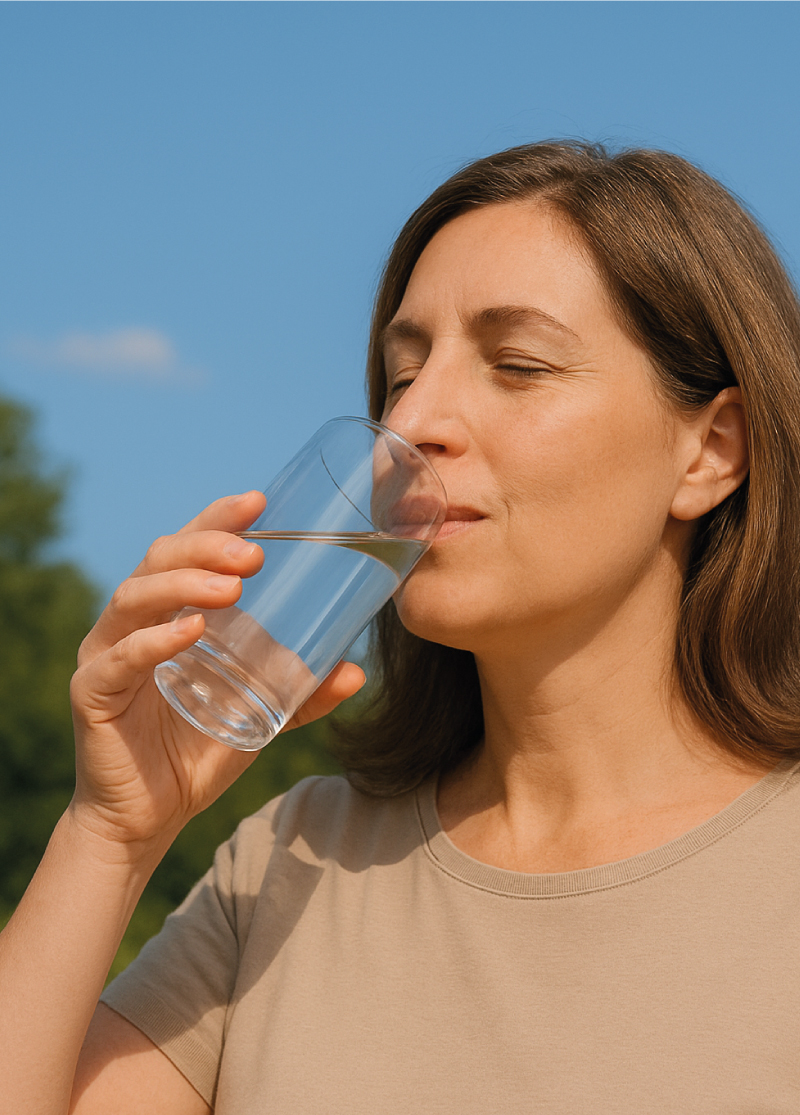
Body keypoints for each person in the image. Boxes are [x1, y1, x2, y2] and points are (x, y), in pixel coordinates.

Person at [3, 140, 800, 1114]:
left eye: (516, 363)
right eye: (401, 372)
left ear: (709, 451)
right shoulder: (295, 860)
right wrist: (109, 833)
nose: (414, 420)